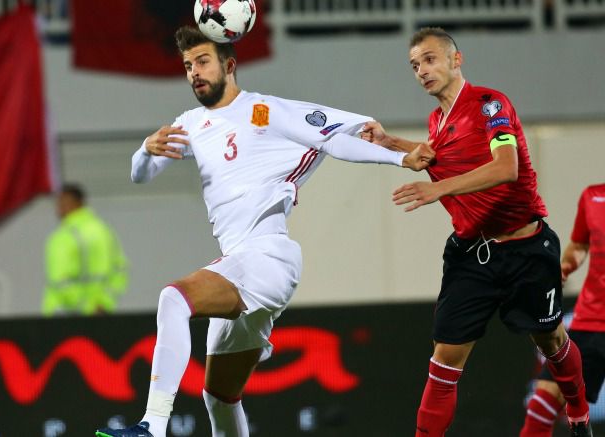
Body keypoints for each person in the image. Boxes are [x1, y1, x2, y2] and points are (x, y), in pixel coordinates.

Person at [95, 25, 434, 437]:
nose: (194, 72)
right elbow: (140, 175)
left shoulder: (264, 111)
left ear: (230, 65)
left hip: (266, 256)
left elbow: (334, 142)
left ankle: (153, 425)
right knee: (219, 396)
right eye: (187, 65)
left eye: (202, 61)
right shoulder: (192, 124)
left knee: (173, 298)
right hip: (241, 261)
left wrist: (400, 159)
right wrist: (144, 150)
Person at [361, 27, 592, 437]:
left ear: (456, 59)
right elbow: (435, 156)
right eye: (414, 65)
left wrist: (438, 188)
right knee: (445, 358)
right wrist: (388, 141)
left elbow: (507, 168)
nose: (421, 70)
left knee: (551, 342)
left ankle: (577, 411)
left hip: (526, 249)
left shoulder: (489, 105)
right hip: (472, 256)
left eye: (430, 59)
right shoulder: (438, 120)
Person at [520, 183, 605, 436]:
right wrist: (564, 267)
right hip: (591, 318)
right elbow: (580, 246)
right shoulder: (593, 196)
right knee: (543, 401)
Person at [43, 183, 129, 315]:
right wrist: (104, 303)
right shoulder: (104, 232)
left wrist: (85, 307)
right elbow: (120, 270)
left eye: (62, 203)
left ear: (76, 203)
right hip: (100, 314)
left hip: (63, 316)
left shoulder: (63, 236)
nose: (58, 209)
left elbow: (59, 280)